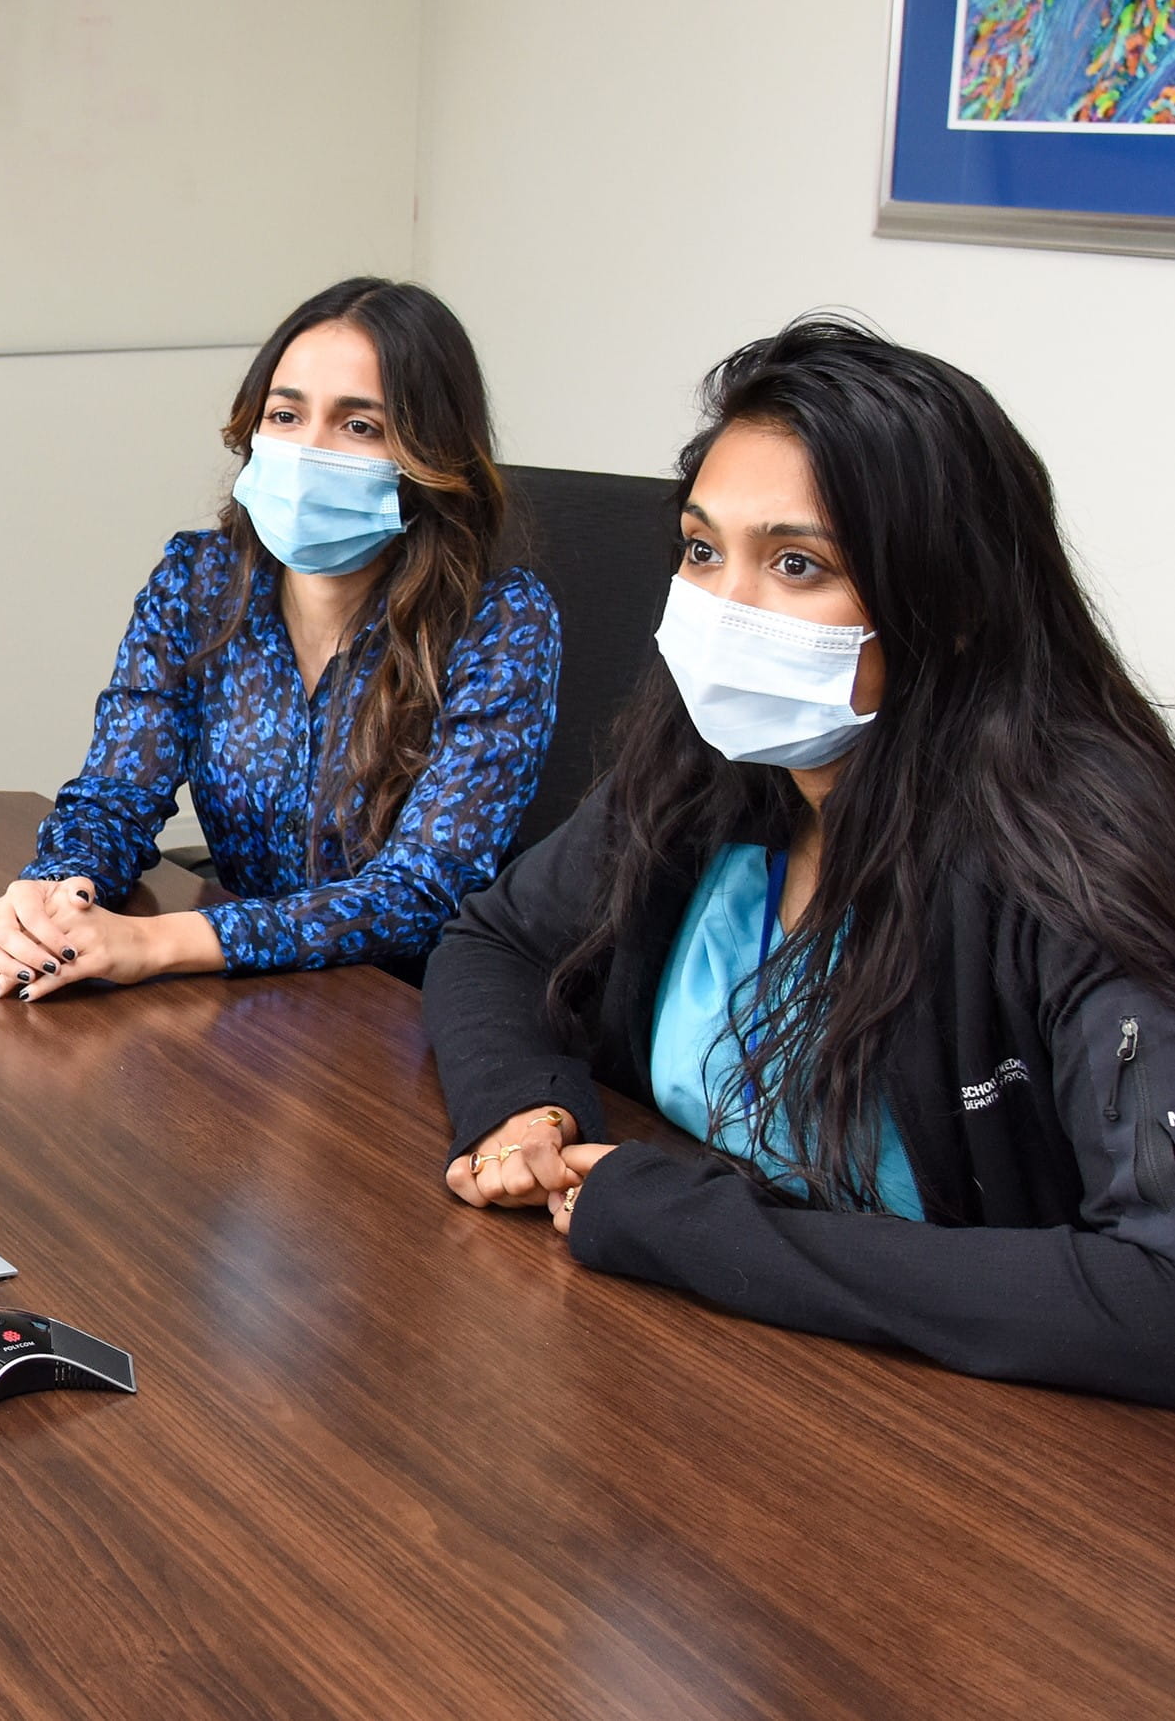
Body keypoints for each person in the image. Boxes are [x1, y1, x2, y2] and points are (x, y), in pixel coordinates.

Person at [426, 317, 1175, 1405]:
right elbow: (495, 938)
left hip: (973, 1460)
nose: (723, 607)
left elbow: (1157, 1292)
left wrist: (683, 1224)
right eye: (699, 549)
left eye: (795, 564)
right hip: (689, 1382)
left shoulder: (1082, 858)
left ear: (950, 604)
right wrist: (527, 1108)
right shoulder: (710, 769)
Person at [0, 278, 561, 998]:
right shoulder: (198, 581)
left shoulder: (500, 620)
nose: (308, 452)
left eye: (359, 427)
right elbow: (114, 796)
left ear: (428, 456)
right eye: (285, 415)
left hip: (413, 1015)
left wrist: (157, 941)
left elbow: (421, 891)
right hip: (249, 1004)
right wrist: (51, 900)